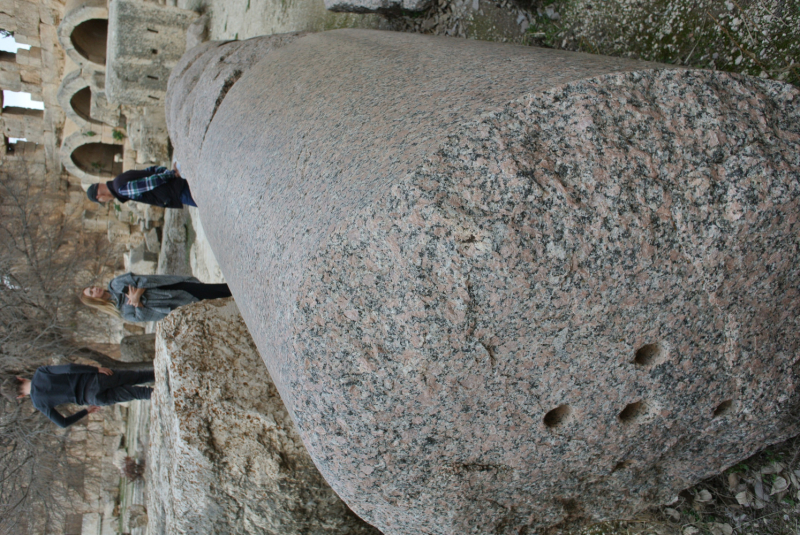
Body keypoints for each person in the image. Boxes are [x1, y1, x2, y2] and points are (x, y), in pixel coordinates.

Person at [2, 365, 154, 428]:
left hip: (92, 398)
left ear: (20, 397)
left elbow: (62, 423)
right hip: (95, 379)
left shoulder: (39, 403)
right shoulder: (41, 373)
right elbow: (69, 368)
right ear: (20, 378)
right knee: (140, 376)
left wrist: (86, 411)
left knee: (139, 393)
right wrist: (96, 369)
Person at [80, 273, 231, 323]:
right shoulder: (121, 312)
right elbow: (142, 317)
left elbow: (142, 279)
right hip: (169, 304)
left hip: (167, 287)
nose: (95, 289)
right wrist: (136, 302)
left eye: (92, 288)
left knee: (207, 290)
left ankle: (236, 289)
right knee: (207, 304)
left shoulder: (116, 284)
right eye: (92, 293)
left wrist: (136, 296)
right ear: (95, 301)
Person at [86, 163, 196, 208]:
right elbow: (149, 170)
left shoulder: (121, 189)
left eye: (102, 201)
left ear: (99, 197)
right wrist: (168, 172)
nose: (106, 201)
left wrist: (171, 174)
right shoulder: (118, 180)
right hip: (176, 185)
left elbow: (150, 183)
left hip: (177, 192)